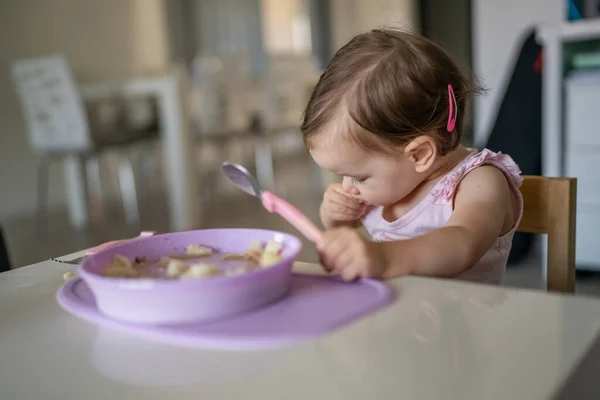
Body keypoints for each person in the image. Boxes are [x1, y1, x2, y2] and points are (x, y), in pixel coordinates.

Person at [301, 28, 523, 283]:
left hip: (466, 319)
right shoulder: (391, 183)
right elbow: (348, 241)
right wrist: (337, 219)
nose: (348, 187)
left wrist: (384, 258)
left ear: (419, 155)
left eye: (358, 177)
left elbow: (463, 243)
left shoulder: (480, 182)